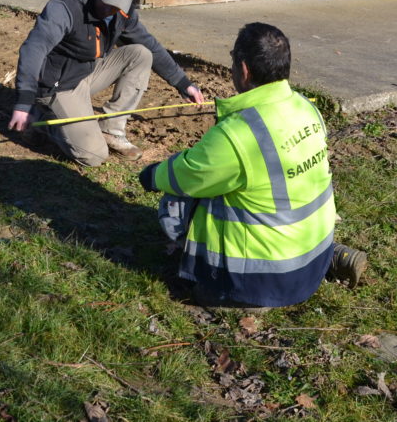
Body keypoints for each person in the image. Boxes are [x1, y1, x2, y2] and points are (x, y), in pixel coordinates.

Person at [138, 22, 366, 309]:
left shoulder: (240, 134)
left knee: (178, 199)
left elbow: (185, 176)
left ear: (243, 70)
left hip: (262, 281)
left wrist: (150, 175)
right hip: (311, 257)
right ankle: (332, 256)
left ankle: (230, 289)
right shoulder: (306, 108)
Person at [8, 0, 205, 167]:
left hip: (88, 72)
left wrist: (183, 83)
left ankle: (111, 129)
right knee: (93, 155)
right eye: (109, 1)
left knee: (141, 54)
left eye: (118, 5)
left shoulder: (122, 11)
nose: (110, 9)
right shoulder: (66, 7)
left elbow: (150, 45)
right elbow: (33, 48)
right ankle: (42, 121)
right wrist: (24, 101)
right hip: (58, 86)